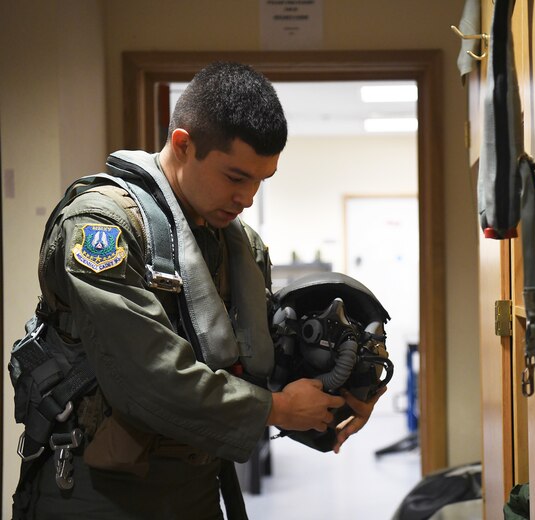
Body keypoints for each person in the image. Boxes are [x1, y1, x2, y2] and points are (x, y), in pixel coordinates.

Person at [12, 61, 383, 519]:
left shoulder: (240, 245)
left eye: (260, 181)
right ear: (183, 144)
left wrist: (347, 392)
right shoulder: (102, 228)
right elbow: (149, 377)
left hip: (197, 487)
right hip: (96, 491)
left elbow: (265, 358)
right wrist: (279, 409)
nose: (248, 198)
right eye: (235, 177)